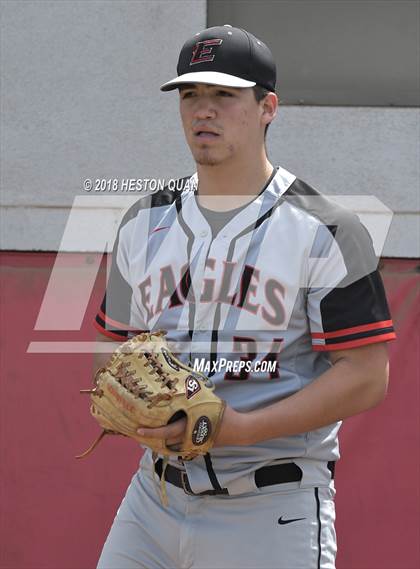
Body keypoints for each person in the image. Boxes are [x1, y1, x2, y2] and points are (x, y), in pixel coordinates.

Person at [93, 25, 396, 569]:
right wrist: (135, 406)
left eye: (224, 95)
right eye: (190, 96)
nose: (202, 111)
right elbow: (112, 347)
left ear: (267, 107)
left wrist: (240, 428)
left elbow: (367, 374)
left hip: (271, 508)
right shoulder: (142, 221)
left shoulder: (327, 228)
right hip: (153, 500)